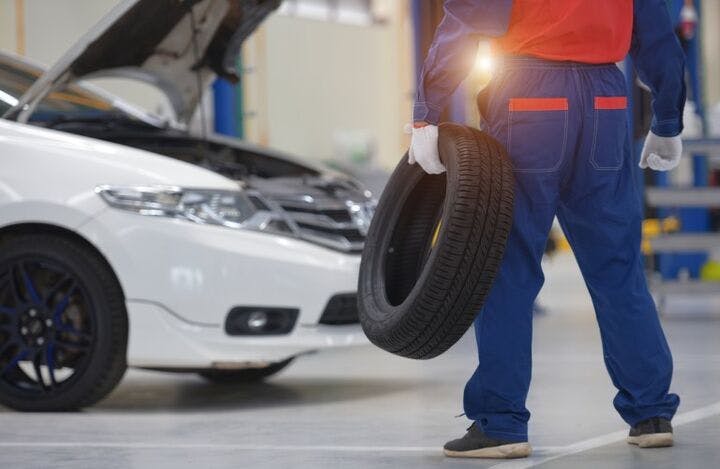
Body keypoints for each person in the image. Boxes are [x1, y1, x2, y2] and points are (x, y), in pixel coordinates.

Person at [410, 0, 685, 459]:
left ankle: (500, 424)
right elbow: (657, 36)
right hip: (606, 99)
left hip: (528, 96)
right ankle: (651, 413)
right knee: (618, 266)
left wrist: (427, 111)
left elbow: (466, 21)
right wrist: (668, 119)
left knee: (508, 266)